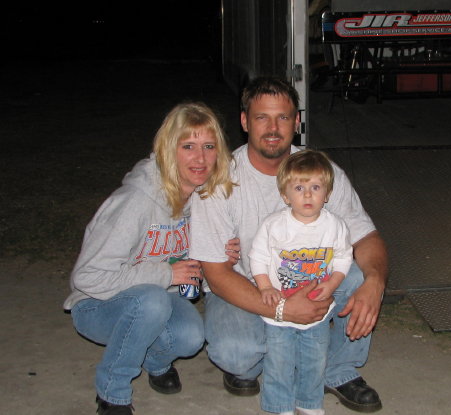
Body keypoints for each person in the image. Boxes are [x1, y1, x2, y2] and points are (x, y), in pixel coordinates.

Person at [190, 77, 388, 413]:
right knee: (237, 355)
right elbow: (217, 274)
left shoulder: (320, 172)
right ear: (244, 121)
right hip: (245, 284)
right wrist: (282, 309)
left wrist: (376, 281)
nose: (273, 128)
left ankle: (337, 369)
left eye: (283, 117)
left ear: (297, 122)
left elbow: (366, 236)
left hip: (312, 280)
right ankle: (278, 354)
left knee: (358, 276)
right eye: (262, 118)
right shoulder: (220, 181)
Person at [63, 102, 235, 415]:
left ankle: (155, 360)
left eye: (209, 146)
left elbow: (187, 265)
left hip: (158, 298)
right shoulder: (135, 202)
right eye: (188, 146)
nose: (200, 158)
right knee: (151, 301)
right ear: (168, 150)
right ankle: (112, 392)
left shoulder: (201, 199)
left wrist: (219, 255)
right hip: (98, 304)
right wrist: (166, 275)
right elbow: (87, 277)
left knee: (191, 337)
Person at [250, 149, 354, 415]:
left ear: (327, 193)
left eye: (315, 187)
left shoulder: (335, 226)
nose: (308, 195)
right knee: (279, 360)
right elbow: (258, 257)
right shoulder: (274, 225)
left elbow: (344, 257)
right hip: (280, 310)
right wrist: (265, 287)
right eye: (299, 188)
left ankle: (309, 403)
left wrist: (333, 283)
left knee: (314, 360)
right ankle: (279, 404)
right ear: (285, 195)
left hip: (318, 310)